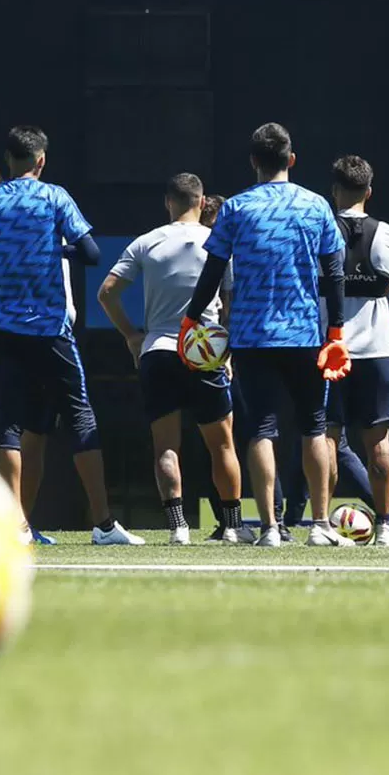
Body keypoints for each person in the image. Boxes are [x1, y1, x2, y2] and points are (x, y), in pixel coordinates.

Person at [0, 126, 141, 545]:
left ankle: (15, 525)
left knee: (8, 423)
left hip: (2, 331)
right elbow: (89, 253)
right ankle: (104, 524)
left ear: (8, 160)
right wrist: (53, 251)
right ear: (41, 161)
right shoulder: (54, 196)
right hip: (51, 329)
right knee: (79, 415)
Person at [180, 123, 352, 547]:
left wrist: (191, 318)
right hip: (305, 334)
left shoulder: (236, 208)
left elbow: (213, 270)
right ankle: (320, 526)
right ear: (291, 160)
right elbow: (334, 274)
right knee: (314, 427)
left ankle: (270, 529)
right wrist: (337, 332)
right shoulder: (316, 207)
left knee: (261, 430)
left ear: (253, 161)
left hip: (252, 337)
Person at [98, 173, 251, 545]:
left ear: (169, 203)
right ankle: (232, 526)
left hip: (159, 352)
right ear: (202, 203)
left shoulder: (147, 242)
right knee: (223, 444)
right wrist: (224, 351)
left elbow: (106, 293)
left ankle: (178, 528)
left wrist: (133, 336)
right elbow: (231, 307)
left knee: (166, 446)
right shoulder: (218, 241)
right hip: (204, 355)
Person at [321, 156, 389, 545]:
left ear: (334, 191)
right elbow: (388, 285)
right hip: (375, 349)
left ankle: (321, 524)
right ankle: (386, 526)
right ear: (368, 192)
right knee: (378, 442)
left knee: (327, 440)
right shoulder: (388, 233)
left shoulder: (321, 229)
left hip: (328, 349)